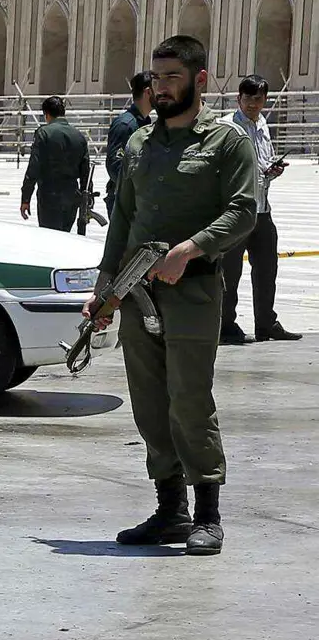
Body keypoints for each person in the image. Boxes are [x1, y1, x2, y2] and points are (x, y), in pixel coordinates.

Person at [87, 35, 257, 557]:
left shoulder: (227, 144)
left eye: (172, 78)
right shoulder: (140, 144)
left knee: (189, 400)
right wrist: (104, 289)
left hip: (194, 291)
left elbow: (243, 209)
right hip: (138, 295)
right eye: (155, 79)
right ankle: (170, 510)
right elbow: (123, 223)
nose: (160, 88)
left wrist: (192, 247)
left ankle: (208, 513)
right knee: (150, 405)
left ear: (199, 80)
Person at [218, 75, 302, 345]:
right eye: (249, 98)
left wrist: (272, 171)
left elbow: (263, 161)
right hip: (236, 209)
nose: (254, 104)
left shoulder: (263, 125)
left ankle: (266, 323)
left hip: (262, 209)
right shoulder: (227, 128)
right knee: (230, 271)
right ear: (238, 99)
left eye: (259, 99)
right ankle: (225, 325)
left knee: (267, 269)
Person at [19, 95, 89, 232]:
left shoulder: (44, 133)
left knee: (49, 239)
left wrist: (26, 198)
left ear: (47, 114)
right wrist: (85, 199)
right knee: (66, 235)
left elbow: (34, 167)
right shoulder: (79, 136)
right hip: (71, 197)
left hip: (49, 197)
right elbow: (85, 170)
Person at [105, 71, 152, 218]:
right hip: (125, 201)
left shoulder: (144, 123)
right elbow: (115, 166)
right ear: (148, 92)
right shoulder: (126, 125)